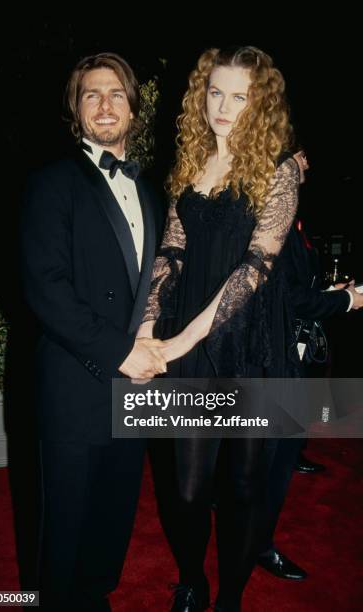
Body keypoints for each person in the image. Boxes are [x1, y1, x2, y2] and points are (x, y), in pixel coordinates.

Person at [137, 45, 302, 612]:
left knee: (243, 486)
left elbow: (255, 270)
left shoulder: (278, 169)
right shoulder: (191, 160)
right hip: (188, 341)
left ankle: (229, 597)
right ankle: (192, 578)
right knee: (185, 489)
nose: (223, 106)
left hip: (248, 343)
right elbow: (172, 251)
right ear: (200, 94)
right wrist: (149, 325)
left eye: (239, 96)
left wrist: (180, 340)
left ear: (260, 103)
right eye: (215, 92)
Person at [20, 52, 166, 611]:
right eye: (91, 95)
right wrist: (120, 353)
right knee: (63, 523)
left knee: (113, 513)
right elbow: (46, 288)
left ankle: (95, 594)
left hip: (134, 387)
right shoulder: (51, 183)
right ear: (75, 110)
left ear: (133, 107)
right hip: (75, 382)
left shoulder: (149, 192)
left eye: (116, 94)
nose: (105, 105)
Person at [257, 148, 363, 580]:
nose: (305, 164)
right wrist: (345, 300)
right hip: (273, 357)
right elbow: (289, 298)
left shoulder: (294, 218)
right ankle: (257, 545)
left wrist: (331, 290)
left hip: (287, 354)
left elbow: (299, 288)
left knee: (276, 458)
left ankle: (255, 538)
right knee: (269, 464)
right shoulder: (274, 220)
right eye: (297, 156)